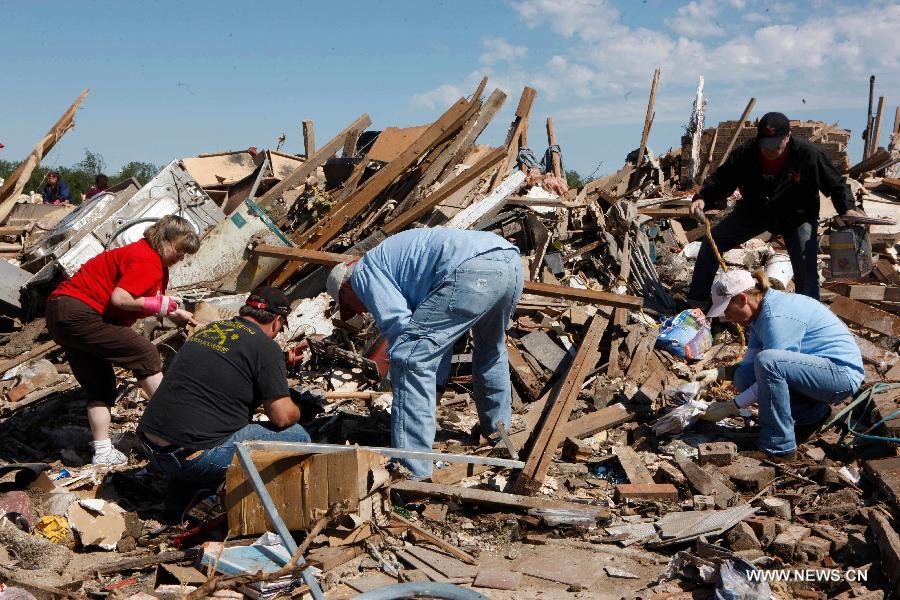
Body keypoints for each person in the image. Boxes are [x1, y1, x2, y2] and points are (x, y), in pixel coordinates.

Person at [327, 228, 524, 479]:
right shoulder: (396, 265)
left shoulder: (363, 274)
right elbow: (431, 339)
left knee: (408, 358)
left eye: (349, 307)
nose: (360, 311)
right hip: (509, 262)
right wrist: (434, 384)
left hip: (471, 268)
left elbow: (400, 328)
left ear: (346, 288)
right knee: (491, 350)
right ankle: (499, 432)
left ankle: (412, 471)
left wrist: (414, 383)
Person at [46, 215, 200, 465]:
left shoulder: (144, 255)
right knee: (146, 354)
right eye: (180, 251)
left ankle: (103, 451)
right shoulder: (147, 259)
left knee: (101, 386)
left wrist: (173, 311)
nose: (181, 258)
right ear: (166, 240)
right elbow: (121, 299)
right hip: (80, 312)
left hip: (62, 313)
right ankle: (177, 428)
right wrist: (159, 306)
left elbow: (145, 297)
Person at [137, 287, 311, 485]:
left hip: (151, 449)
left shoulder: (210, 330)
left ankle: (195, 491)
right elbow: (282, 417)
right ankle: (220, 491)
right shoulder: (266, 347)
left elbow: (227, 362)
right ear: (277, 321)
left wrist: (281, 361)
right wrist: (300, 410)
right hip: (191, 461)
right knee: (299, 437)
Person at [687, 112, 865, 304]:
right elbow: (722, 180)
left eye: (775, 146)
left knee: (806, 266)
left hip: (797, 214)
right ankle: (697, 302)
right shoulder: (745, 153)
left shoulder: (808, 154)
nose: (769, 151)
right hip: (756, 209)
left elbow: (836, 184)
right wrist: (703, 198)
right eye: (765, 145)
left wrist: (847, 208)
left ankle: (809, 314)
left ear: (788, 137)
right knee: (711, 243)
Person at [693, 269, 864, 460]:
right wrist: (719, 372)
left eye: (727, 310)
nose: (727, 318)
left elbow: (771, 368)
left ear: (742, 299)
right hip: (817, 371)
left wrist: (731, 406)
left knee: (769, 363)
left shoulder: (776, 316)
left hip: (840, 375)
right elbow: (750, 362)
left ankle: (779, 446)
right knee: (743, 376)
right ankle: (808, 417)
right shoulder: (759, 314)